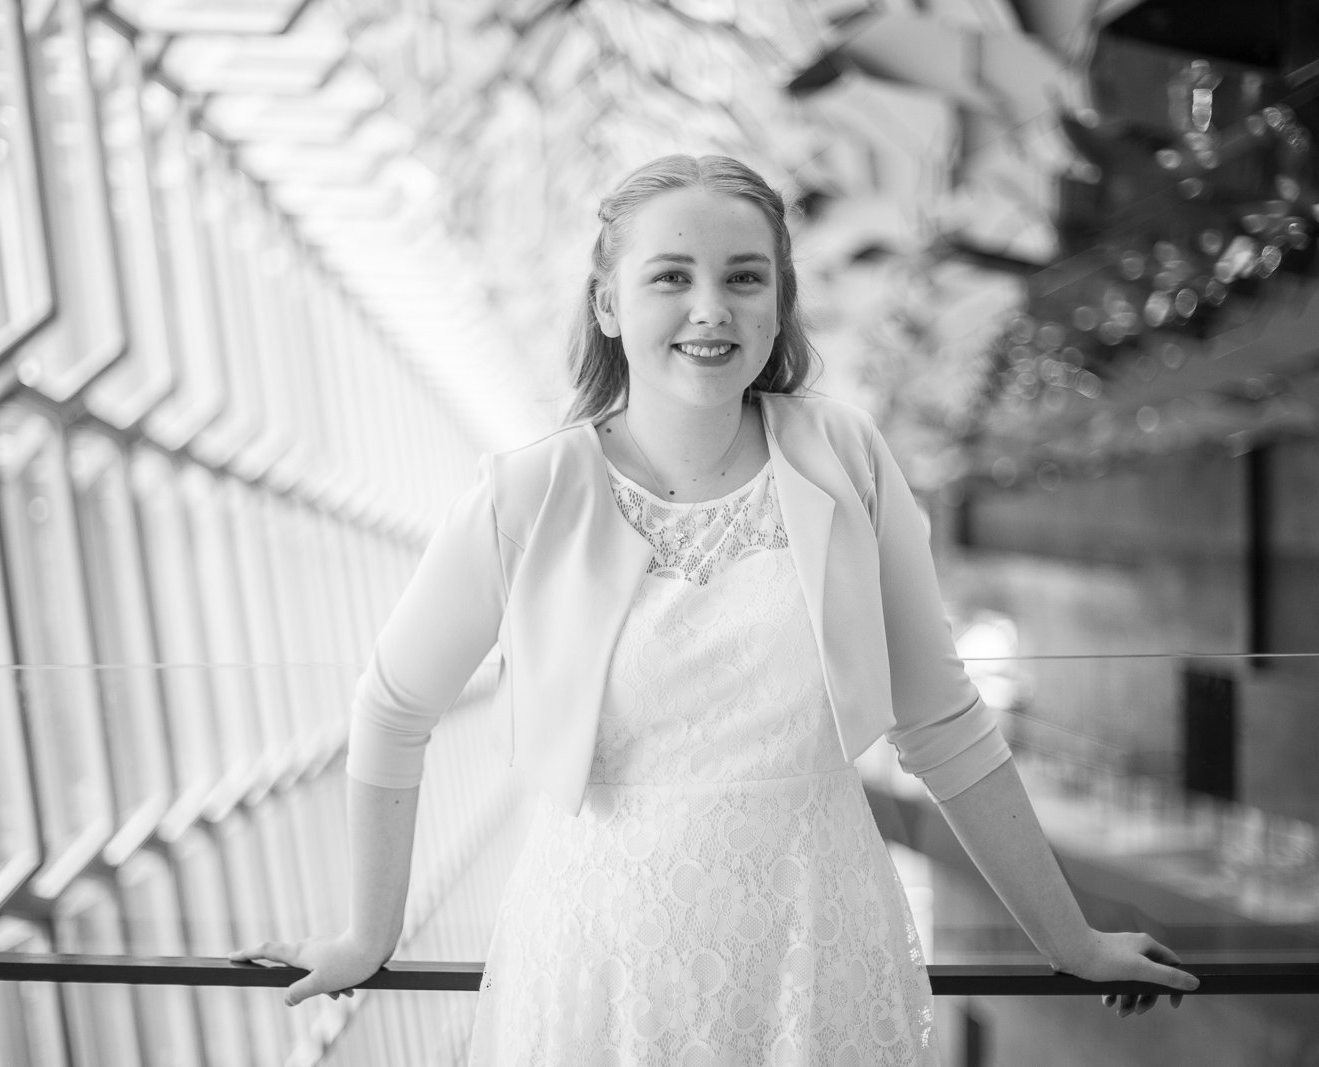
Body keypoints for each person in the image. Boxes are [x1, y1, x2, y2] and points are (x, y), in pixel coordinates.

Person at [233, 154, 1199, 1063]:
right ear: (607, 303)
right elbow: (393, 706)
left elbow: (941, 719)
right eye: (671, 277)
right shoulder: (525, 495)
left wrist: (1070, 939)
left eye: (744, 277)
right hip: (601, 963)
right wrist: (369, 935)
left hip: (815, 950)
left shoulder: (846, 457)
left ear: (780, 301)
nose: (711, 308)